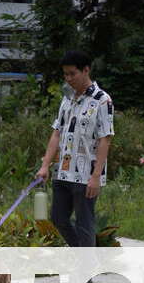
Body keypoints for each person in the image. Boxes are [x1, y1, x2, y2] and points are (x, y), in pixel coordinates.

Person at [36, 50, 115, 247]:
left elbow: (106, 139)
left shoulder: (102, 100)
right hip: (63, 171)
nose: (68, 78)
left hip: (87, 174)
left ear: (86, 70)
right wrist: (45, 165)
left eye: (72, 73)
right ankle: (82, 257)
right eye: (65, 74)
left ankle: (85, 273)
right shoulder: (67, 98)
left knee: (84, 224)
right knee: (58, 219)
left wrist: (96, 177)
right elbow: (57, 133)